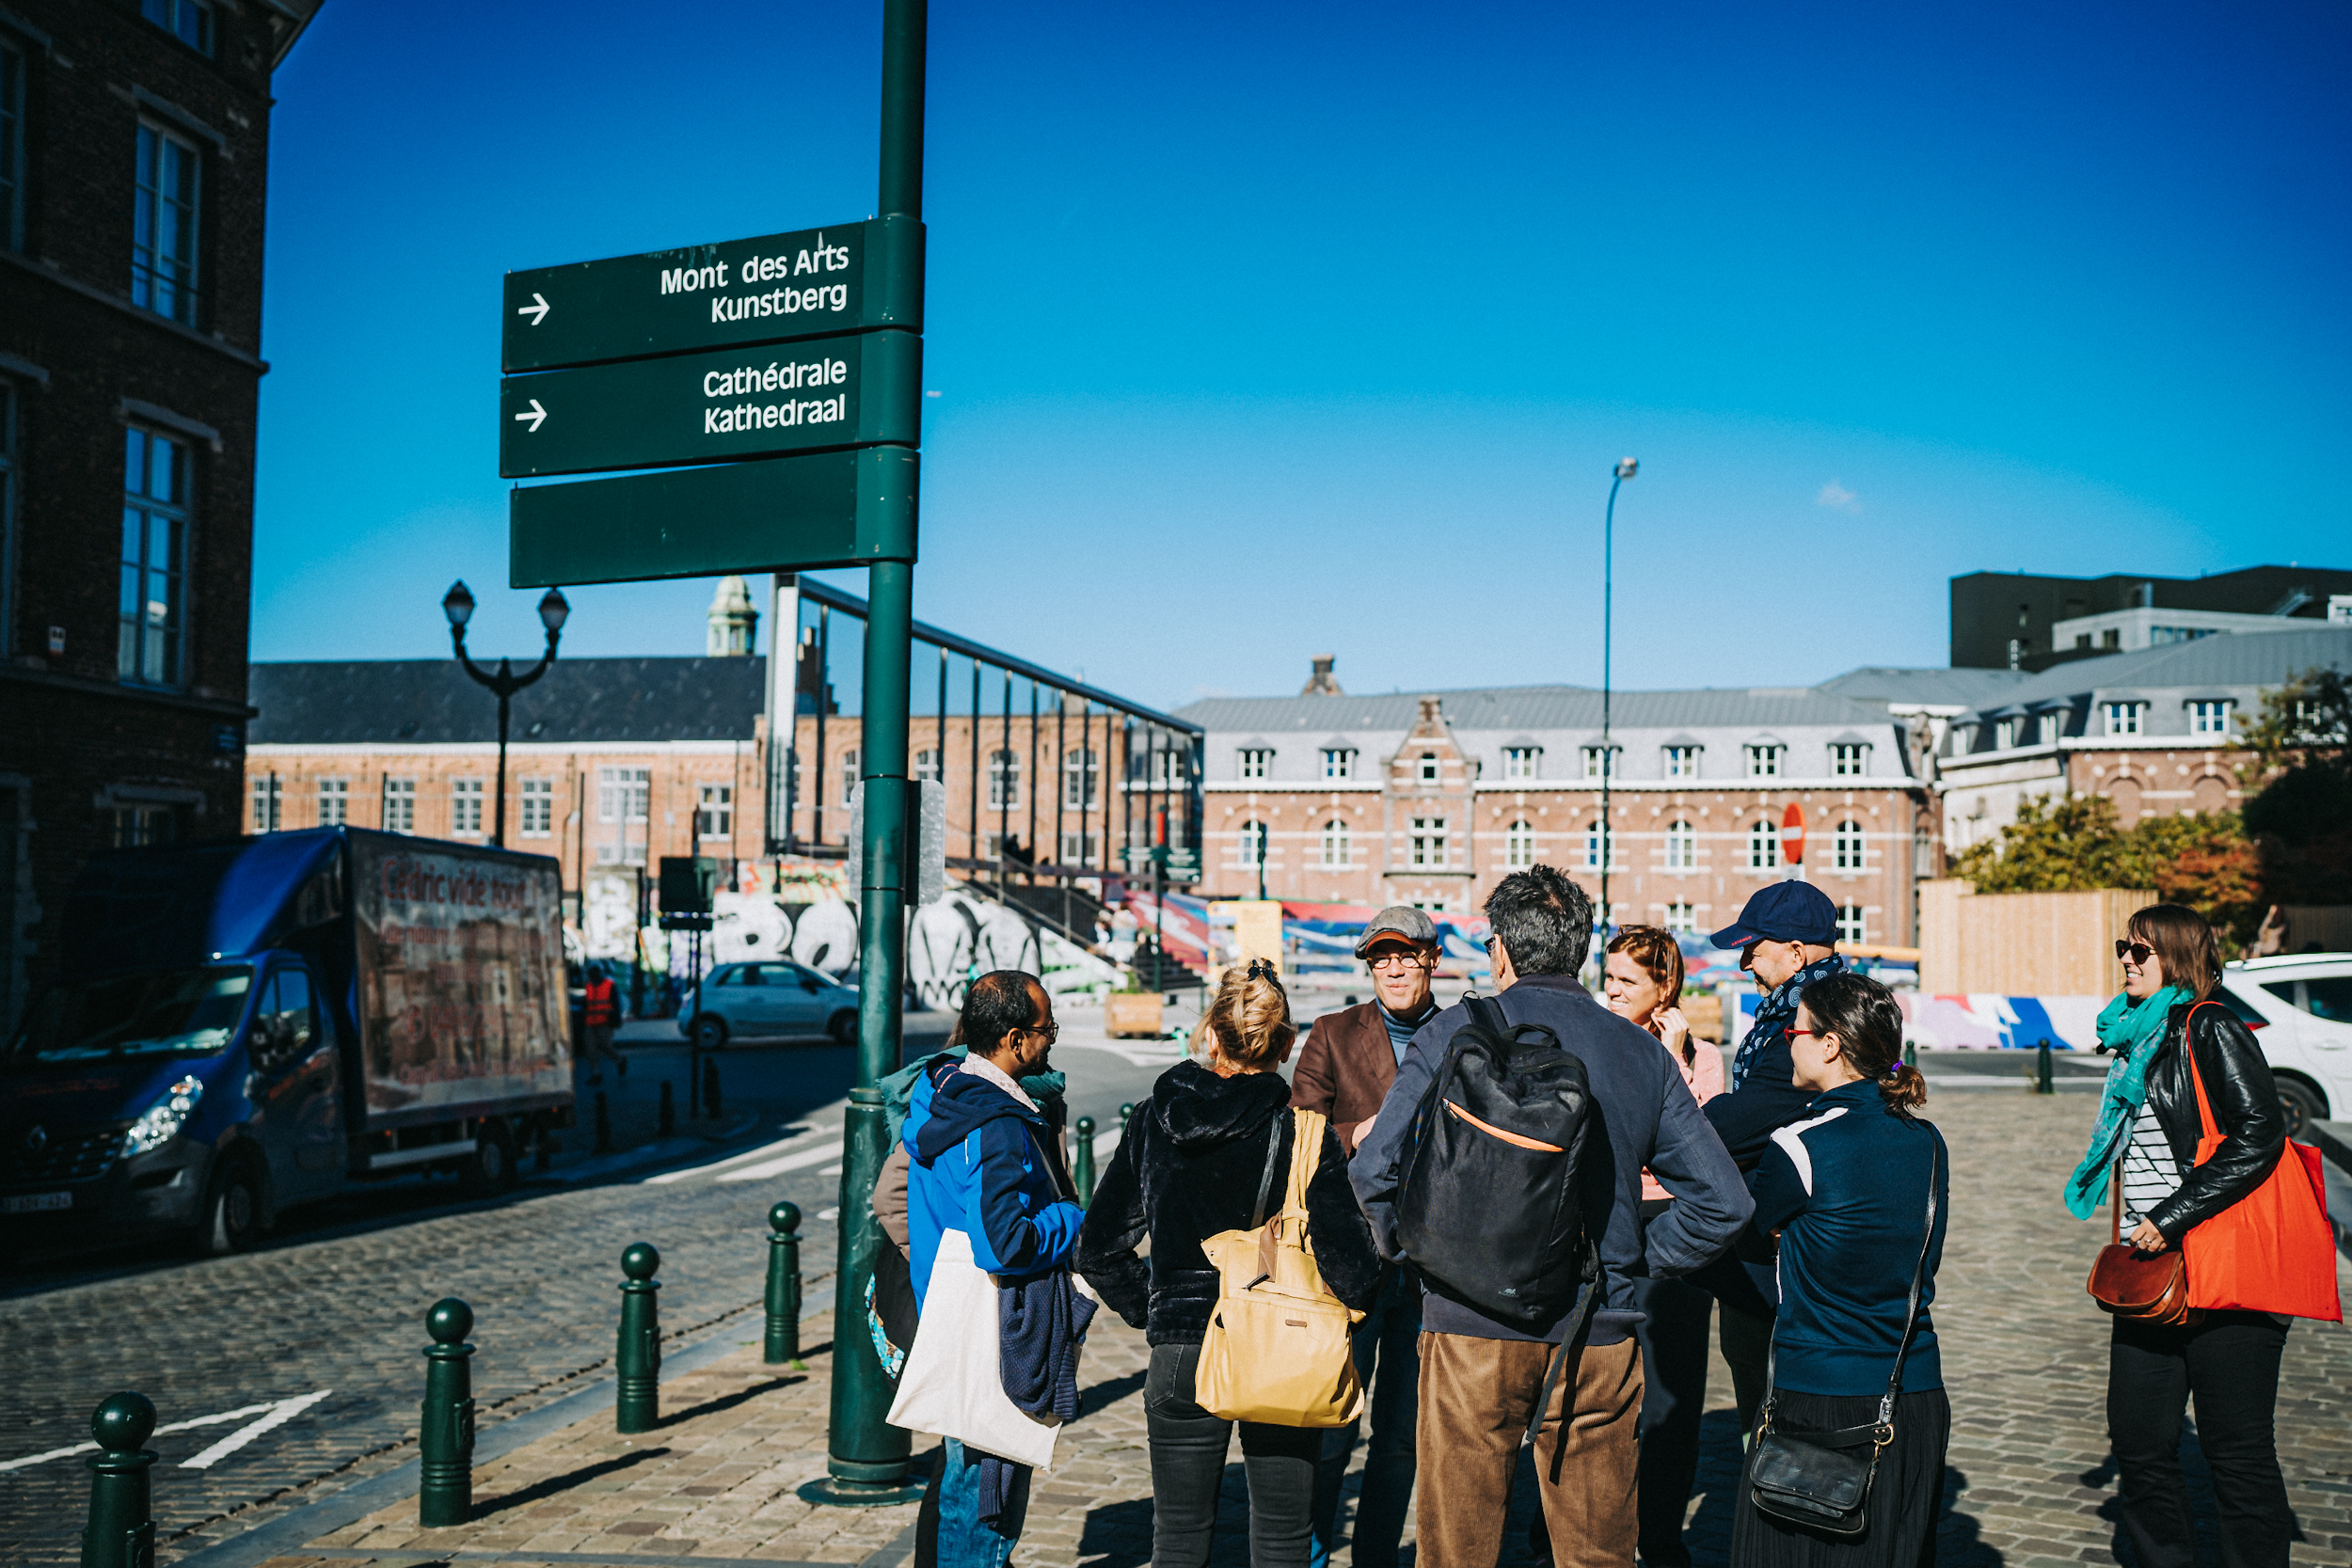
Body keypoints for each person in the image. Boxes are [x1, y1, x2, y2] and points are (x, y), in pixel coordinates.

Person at [1351, 866, 1752, 1568]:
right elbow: (1726, 1202)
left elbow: (1372, 1168)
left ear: (1500, 950)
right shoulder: (1637, 1050)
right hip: (1597, 1329)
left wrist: (1420, 1253)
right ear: (1584, 950)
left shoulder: (1451, 1033)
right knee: (1596, 1552)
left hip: (1468, 1325)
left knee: (1456, 1552)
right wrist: (1637, 1258)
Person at [1079, 960, 1384, 1568]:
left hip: (1182, 1350)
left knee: (1179, 1538)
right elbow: (1353, 1266)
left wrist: (1158, 1307)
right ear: (1286, 1045)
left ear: (1211, 1034)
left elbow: (1098, 1248)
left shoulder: (1150, 1119)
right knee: (1281, 1536)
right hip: (1282, 1341)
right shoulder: (1303, 1133)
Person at [2062, 904, 2293, 1568]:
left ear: (2179, 956)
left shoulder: (2209, 1025)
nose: (2128, 960)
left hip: (2224, 1267)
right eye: (2123, 948)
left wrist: (2171, 1215)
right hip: (2153, 1274)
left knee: (2237, 1452)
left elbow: (2260, 1133)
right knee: (2138, 1440)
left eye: (2143, 949)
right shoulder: (2136, 1038)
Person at [1729, 972, 1949, 1568]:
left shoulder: (1799, 1143)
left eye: (1793, 1030)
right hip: (1913, 1388)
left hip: (1820, 1393)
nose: (1785, 1043)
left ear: (1829, 1045)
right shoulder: (1927, 1140)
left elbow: (1759, 1226)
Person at [902, 971, 1086, 1568]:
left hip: (946, 1310)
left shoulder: (939, 1090)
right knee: (988, 1491)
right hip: (992, 1322)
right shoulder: (998, 1123)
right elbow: (1003, 1244)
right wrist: (1069, 1218)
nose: (1051, 1038)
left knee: (965, 1474)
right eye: (1044, 1028)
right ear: (1012, 1038)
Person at [1290, 906, 1442, 1568]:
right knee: (1332, 1426)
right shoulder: (1332, 1032)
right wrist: (1362, 1132)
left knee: (1402, 1437)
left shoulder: (1463, 1031)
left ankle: (1376, 1556)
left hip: (1433, 1266)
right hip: (1352, 1263)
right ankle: (1315, 1551)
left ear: (1431, 958)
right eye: (1381, 958)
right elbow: (1299, 1133)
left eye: (1406, 954)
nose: (1394, 968)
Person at [1696, 880, 1850, 1435]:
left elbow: (1739, 1125)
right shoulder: (1811, 1008)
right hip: (1773, 1250)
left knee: (1775, 1428)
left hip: (1786, 1257)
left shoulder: (1812, 1026)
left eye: (1752, 949)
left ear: (1795, 950)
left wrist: (1671, 1106)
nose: (1743, 965)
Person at [1603, 925, 1725, 1568]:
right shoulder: (1600, 1045)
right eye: (1610, 976)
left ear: (1665, 986)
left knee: (1672, 1398)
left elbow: (1702, 1151)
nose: (1612, 990)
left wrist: (1675, 1057)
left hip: (1677, 1232)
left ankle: (1661, 1533)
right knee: (1596, 1387)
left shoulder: (1703, 1059)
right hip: (1611, 1226)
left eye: (1627, 980)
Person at [580, 963, 625, 1084]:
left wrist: (616, 1020)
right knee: (590, 1048)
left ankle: (619, 1060)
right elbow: (585, 1003)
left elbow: (616, 1004)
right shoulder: (588, 986)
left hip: (605, 1022)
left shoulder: (609, 985)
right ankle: (596, 1073)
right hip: (590, 1022)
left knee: (605, 1045)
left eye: (595, 972)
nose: (593, 975)